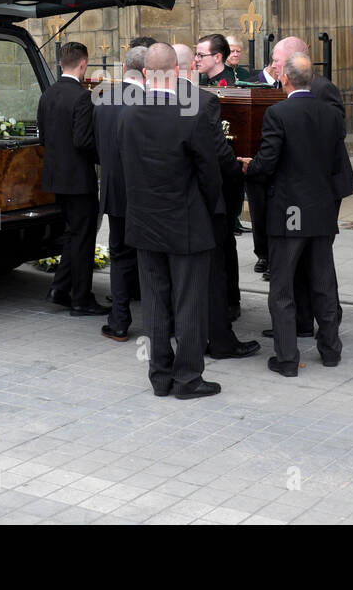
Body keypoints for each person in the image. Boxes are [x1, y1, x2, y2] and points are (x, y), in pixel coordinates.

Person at [119, 44, 223, 399]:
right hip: (186, 223)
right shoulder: (190, 114)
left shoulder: (127, 115)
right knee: (189, 302)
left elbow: (124, 169)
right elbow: (210, 175)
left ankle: (160, 376)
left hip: (145, 223)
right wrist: (209, 211)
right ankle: (188, 379)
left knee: (155, 303)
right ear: (177, 73)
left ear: (146, 74)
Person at [241, 54, 353, 375]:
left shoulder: (278, 112)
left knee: (282, 286)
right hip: (321, 210)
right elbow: (335, 166)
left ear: (286, 80)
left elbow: (268, 162)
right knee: (323, 282)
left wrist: (250, 166)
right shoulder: (331, 115)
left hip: (289, 211)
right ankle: (331, 350)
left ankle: (287, 358)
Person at [174, 43, 259, 359]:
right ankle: (220, 341)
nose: (198, 61)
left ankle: (177, 333)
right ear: (189, 67)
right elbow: (218, 155)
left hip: (161, 206)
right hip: (201, 203)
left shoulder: (141, 101)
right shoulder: (202, 102)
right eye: (195, 57)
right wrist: (239, 174)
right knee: (212, 272)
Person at [37, 42, 108, 316]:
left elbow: (44, 138)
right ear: (82, 64)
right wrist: (104, 156)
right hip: (78, 180)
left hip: (55, 179)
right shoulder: (82, 96)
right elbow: (83, 141)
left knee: (73, 235)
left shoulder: (48, 94)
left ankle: (59, 288)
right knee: (84, 237)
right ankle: (81, 299)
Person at [94, 45, 147, 340]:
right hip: (146, 193)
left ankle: (119, 321)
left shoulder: (103, 99)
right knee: (150, 257)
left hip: (115, 189)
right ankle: (160, 322)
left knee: (119, 255)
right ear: (146, 71)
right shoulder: (153, 100)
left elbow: (96, 145)